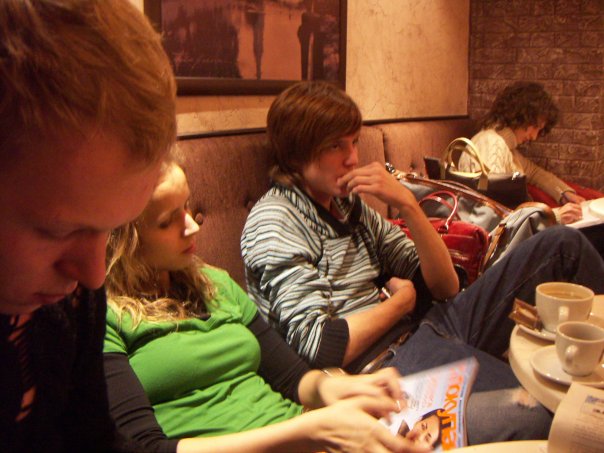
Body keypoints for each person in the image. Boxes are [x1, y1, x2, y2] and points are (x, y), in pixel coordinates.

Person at [240, 80, 604, 445]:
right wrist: (402, 302)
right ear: (296, 153)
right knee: (557, 413)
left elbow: (446, 286)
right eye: (336, 146)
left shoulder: (347, 205)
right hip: (384, 366)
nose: (352, 158)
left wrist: (409, 205)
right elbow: (319, 345)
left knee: (562, 245)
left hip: (432, 325)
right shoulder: (276, 222)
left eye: (353, 142)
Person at [103, 160, 428, 453]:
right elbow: (144, 448)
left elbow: (292, 378)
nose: (192, 226)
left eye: (187, 206)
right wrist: (310, 431)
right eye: (167, 221)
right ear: (124, 236)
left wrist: (348, 388)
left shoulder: (214, 283)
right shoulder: (103, 319)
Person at [0, 1, 177, 451]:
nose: (95, 275)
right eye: (57, 231)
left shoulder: (72, 299)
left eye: (113, 229)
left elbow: (92, 439)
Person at [457, 81, 595, 225]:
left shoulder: (503, 145)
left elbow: (534, 172)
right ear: (520, 117)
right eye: (535, 127)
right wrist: (555, 216)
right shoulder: (493, 146)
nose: (534, 136)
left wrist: (564, 192)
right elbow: (496, 212)